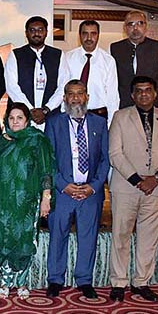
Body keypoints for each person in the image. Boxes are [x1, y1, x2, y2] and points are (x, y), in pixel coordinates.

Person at [108, 76, 158, 302]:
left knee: (149, 238)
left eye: (148, 90)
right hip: (126, 187)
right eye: (138, 91)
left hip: (156, 188)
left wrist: (156, 178)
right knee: (120, 236)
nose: (143, 94)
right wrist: (137, 180)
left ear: (155, 93)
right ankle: (119, 282)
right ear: (132, 95)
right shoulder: (120, 117)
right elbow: (115, 154)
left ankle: (141, 282)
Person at [0, 102, 54, 300]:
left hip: (27, 203)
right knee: (5, 238)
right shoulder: (0, 142)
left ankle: (21, 281)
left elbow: (46, 171)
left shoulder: (37, 140)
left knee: (25, 242)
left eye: (19, 118)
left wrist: (46, 199)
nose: (15, 122)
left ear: (27, 120)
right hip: (2, 203)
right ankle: (5, 281)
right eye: (11, 118)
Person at [44, 80, 110, 299]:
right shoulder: (54, 123)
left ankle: (84, 279)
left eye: (79, 94)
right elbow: (49, 159)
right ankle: (55, 279)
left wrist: (93, 186)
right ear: (64, 98)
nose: (75, 98)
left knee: (88, 236)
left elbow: (105, 159)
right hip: (63, 192)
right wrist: (63, 185)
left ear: (87, 97)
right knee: (57, 235)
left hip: (90, 193)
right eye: (70, 94)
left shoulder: (100, 124)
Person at [5, 16, 68, 129]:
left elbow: (63, 86)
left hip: (51, 115)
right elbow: (12, 87)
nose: (36, 33)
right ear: (26, 33)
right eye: (32, 30)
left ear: (46, 32)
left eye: (40, 30)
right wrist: (30, 110)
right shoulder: (15, 55)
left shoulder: (58, 55)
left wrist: (46, 109)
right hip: (22, 117)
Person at [110, 11, 158, 109]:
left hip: (151, 104)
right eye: (131, 24)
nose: (135, 28)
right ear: (125, 28)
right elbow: (110, 80)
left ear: (146, 27)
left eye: (140, 23)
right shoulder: (114, 48)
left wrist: (155, 96)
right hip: (123, 104)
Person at [62, 20, 119, 124]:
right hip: (72, 113)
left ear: (98, 35)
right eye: (85, 33)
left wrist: (111, 124)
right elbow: (63, 88)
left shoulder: (108, 60)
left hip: (99, 116)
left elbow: (112, 96)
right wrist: (62, 115)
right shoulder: (67, 58)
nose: (89, 38)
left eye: (93, 33)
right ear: (79, 35)